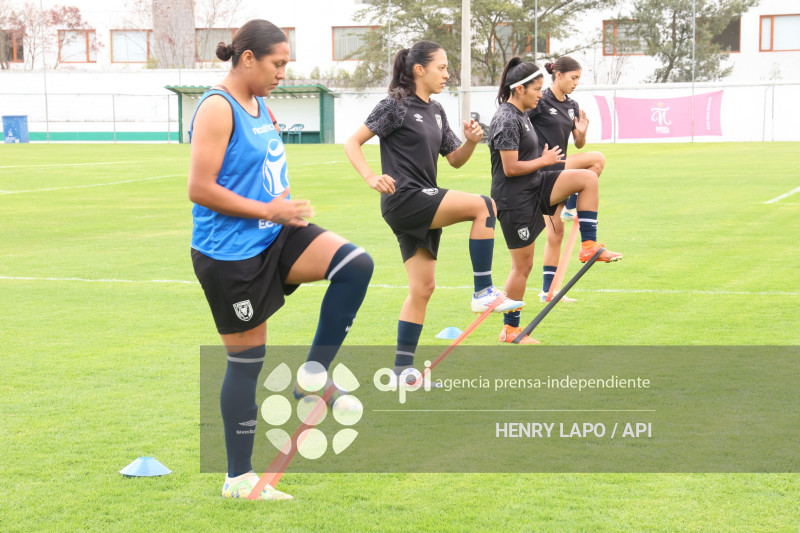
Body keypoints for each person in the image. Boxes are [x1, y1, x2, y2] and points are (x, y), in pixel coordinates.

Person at [188, 19, 373, 501]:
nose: (283, 73)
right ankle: (238, 478)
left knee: (355, 265)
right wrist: (268, 210)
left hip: (275, 234)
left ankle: (312, 379)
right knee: (247, 363)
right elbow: (200, 188)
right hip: (229, 256)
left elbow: (266, 170)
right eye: (278, 63)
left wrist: (280, 208)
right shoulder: (217, 107)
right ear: (247, 58)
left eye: (286, 64)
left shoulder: (261, 104)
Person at [344, 40, 524, 376]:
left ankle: (402, 369)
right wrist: (370, 176)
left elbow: (455, 159)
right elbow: (353, 142)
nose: (446, 74)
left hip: (423, 199)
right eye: (441, 68)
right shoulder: (394, 105)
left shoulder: (437, 110)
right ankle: (483, 290)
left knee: (422, 289)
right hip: (405, 198)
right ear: (419, 70)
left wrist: (472, 141)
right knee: (484, 206)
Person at [488, 57, 622, 344]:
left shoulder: (522, 113)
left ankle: (588, 246)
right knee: (522, 267)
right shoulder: (506, 118)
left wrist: (571, 142)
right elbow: (510, 168)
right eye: (537, 89)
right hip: (515, 199)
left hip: (536, 184)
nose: (541, 94)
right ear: (520, 89)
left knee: (588, 178)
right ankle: (510, 329)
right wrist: (544, 160)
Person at [528, 56, 609, 302]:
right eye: (573, 78)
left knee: (556, 236)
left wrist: (581, 133)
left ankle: (548, 292)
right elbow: (522, 127)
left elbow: (578, 143)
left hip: (561, 169)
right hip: (544, 171)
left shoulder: (572, 105)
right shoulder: (540, 101)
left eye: (578, 79)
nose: (575, 83)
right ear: (559, 75)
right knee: (596, 160)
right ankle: (572, 205)